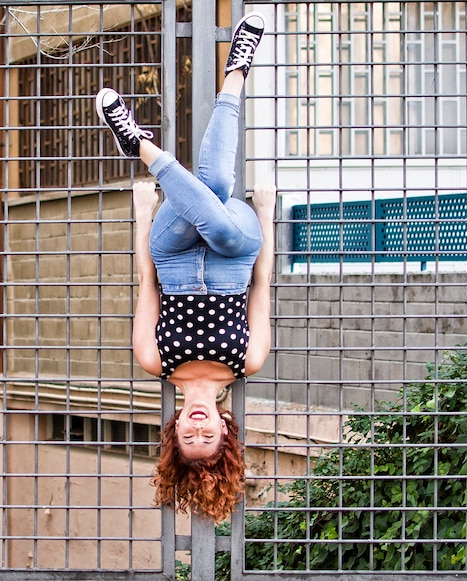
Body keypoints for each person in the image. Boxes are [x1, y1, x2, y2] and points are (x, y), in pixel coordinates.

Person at [96, 12, 276, 523]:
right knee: (218, 214)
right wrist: (265, 215)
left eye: (188, 437)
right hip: (235, 248)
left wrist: (141, 215)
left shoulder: (155, 360)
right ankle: (140, 146)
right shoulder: (249, 360)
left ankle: (235, 72)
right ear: (226, 426)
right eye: (207, 436)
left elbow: (146, 283)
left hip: (172, 250)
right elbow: (260, 285)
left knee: (215, 180)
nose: (198, 429)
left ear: (173, 431)